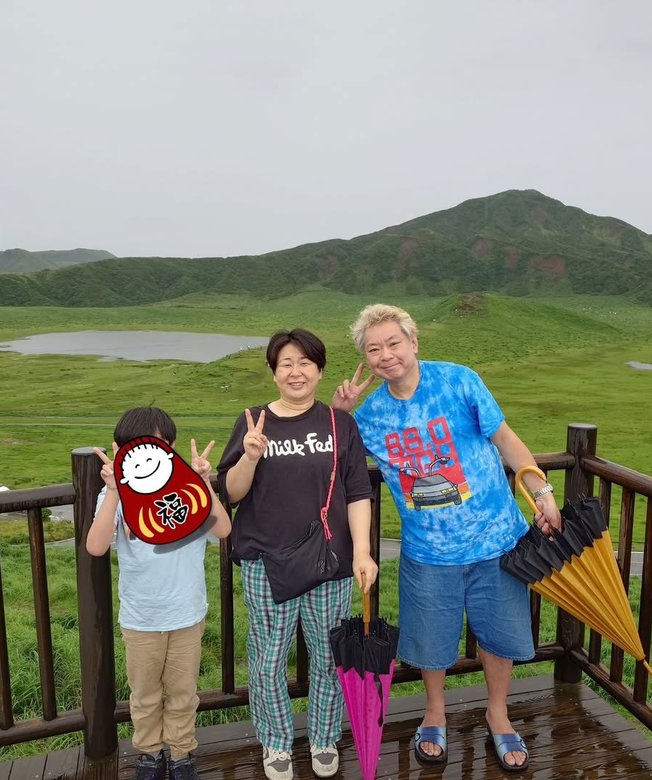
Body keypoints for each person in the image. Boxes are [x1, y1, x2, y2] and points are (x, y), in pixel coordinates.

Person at [333, 304, 561, 772]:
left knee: (497, 638)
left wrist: (541, 490)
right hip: (428, 550)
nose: (385, 355)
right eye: (373, 349)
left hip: (497, 540)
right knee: (432, 642)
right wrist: (339, 413)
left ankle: (498, 714)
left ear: (413, 343)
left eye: (393, 343)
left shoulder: (459, 380)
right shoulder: (371, 413)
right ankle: (433, 712)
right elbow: (333, 460)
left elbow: (506, 440)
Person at [217, 329, 379, 780]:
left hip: (330, 564)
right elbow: (230, 492)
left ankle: (324, 738)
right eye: (286, 363)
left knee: (328, 657)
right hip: (265, 563)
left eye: (305, 362)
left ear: (320, 371)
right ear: (273, 371)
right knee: (268, 659)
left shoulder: (338, 423)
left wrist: (362, 553)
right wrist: (249, 456)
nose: (296, 371)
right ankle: (276, 742)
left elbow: (357, 491)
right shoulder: (253, 420)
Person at [86, 406, 232, 780]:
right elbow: (97, 546)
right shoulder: (117, 496)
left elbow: (223, 529)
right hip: (141, 619)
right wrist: (115, 492)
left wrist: (205, 482)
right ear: (121, 452)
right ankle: (150, 754)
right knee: (145, 696)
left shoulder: (189, 490)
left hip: (186, 614)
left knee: (184, 693)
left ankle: (182, 753)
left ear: (171, 447)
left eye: (157, 444)